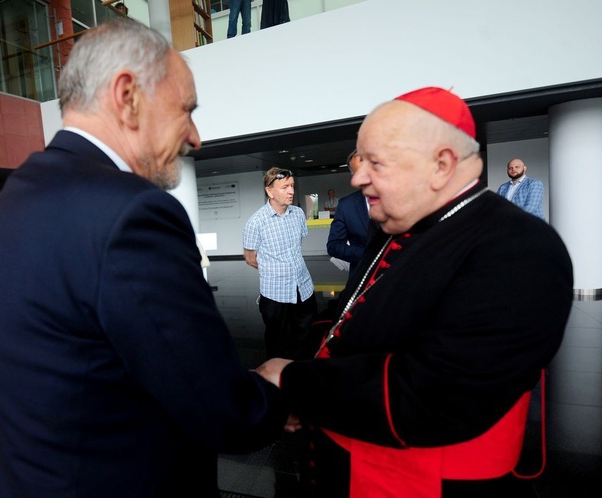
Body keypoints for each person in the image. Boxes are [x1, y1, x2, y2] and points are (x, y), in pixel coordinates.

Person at [0, 19, 288, 498]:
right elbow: (218, 408)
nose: (195, 137)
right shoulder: (131, 212)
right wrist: (278, 392)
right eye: (186, 110)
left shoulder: (19, 192)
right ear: (127, 95)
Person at [256, 87, 573, 497]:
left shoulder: (521, 247)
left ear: (441, 165)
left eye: (375, 163)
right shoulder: (397, 225)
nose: (357, 178)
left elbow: (435, 396)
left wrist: (297, 382)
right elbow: (349, 313)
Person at [243, 167, 317, 360]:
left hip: (303, 288)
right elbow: (250, 258)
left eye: (292, 186)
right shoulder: (255, 222)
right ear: (269, 190)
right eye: (284, 187)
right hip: (275, 293)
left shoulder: (299, 214)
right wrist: (276, 270)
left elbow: (296, 246)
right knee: (277, 342)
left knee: (305, 337)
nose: (291, 191)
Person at [326, 153, 371, 270]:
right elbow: (334, 245)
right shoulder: (347, 205)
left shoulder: (404, 198)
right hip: (361, 276)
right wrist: (367, 255)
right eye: (357, 173)